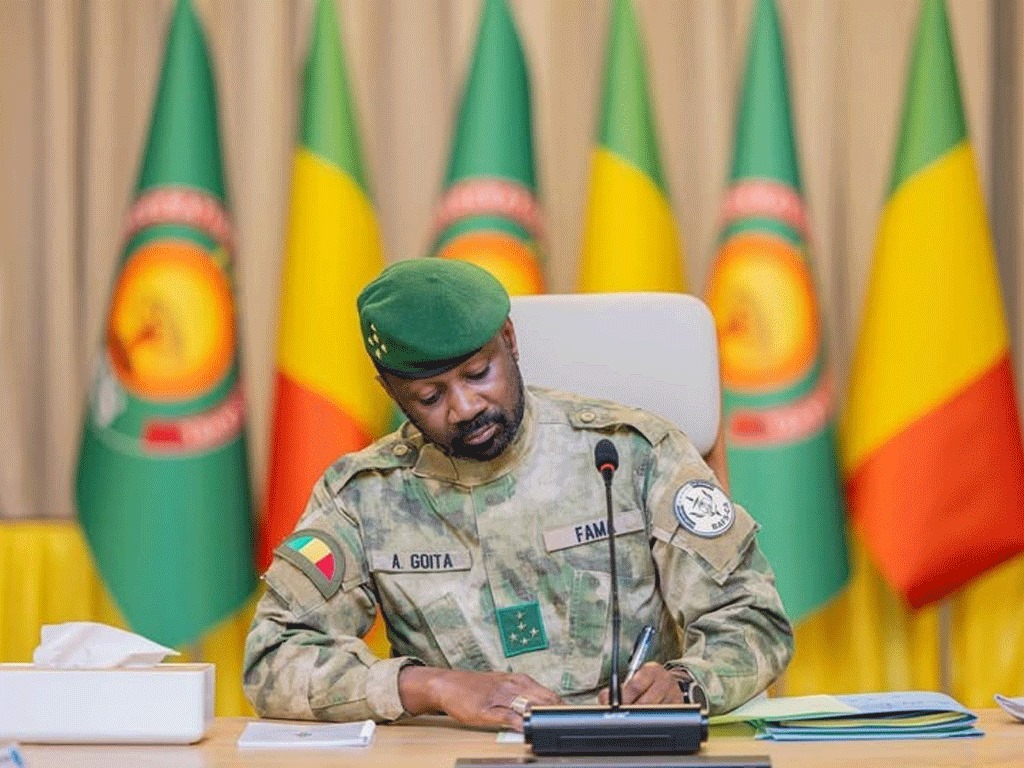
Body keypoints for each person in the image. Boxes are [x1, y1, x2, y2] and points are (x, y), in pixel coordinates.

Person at [243, 258, 793, 731]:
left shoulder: (631, 453)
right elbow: (273, 659)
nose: (465, 407)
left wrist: (686, 683)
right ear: (391, 391)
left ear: (509, 339)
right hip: (459, 751)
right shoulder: (364, 496)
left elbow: (752, 620)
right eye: (430, 396)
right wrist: (431, 687)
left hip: (627, 747)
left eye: (478, 374)